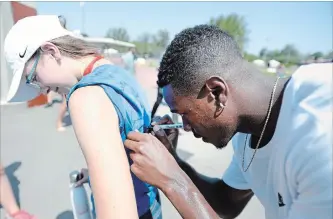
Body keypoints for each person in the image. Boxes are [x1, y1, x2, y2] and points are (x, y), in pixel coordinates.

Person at [124, 25, 333, 219]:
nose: (185, 127)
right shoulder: (246, 135)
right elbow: (225, 204)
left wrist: (172, 180)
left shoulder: (319, 126)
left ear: (216, 92)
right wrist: (172, 162)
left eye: (185, 113)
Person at [4, 15, 161, 219]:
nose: (41, 89)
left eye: (33, 78)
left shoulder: (86, 97)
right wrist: (96, 175)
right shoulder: (116, 74)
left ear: (51, 51)